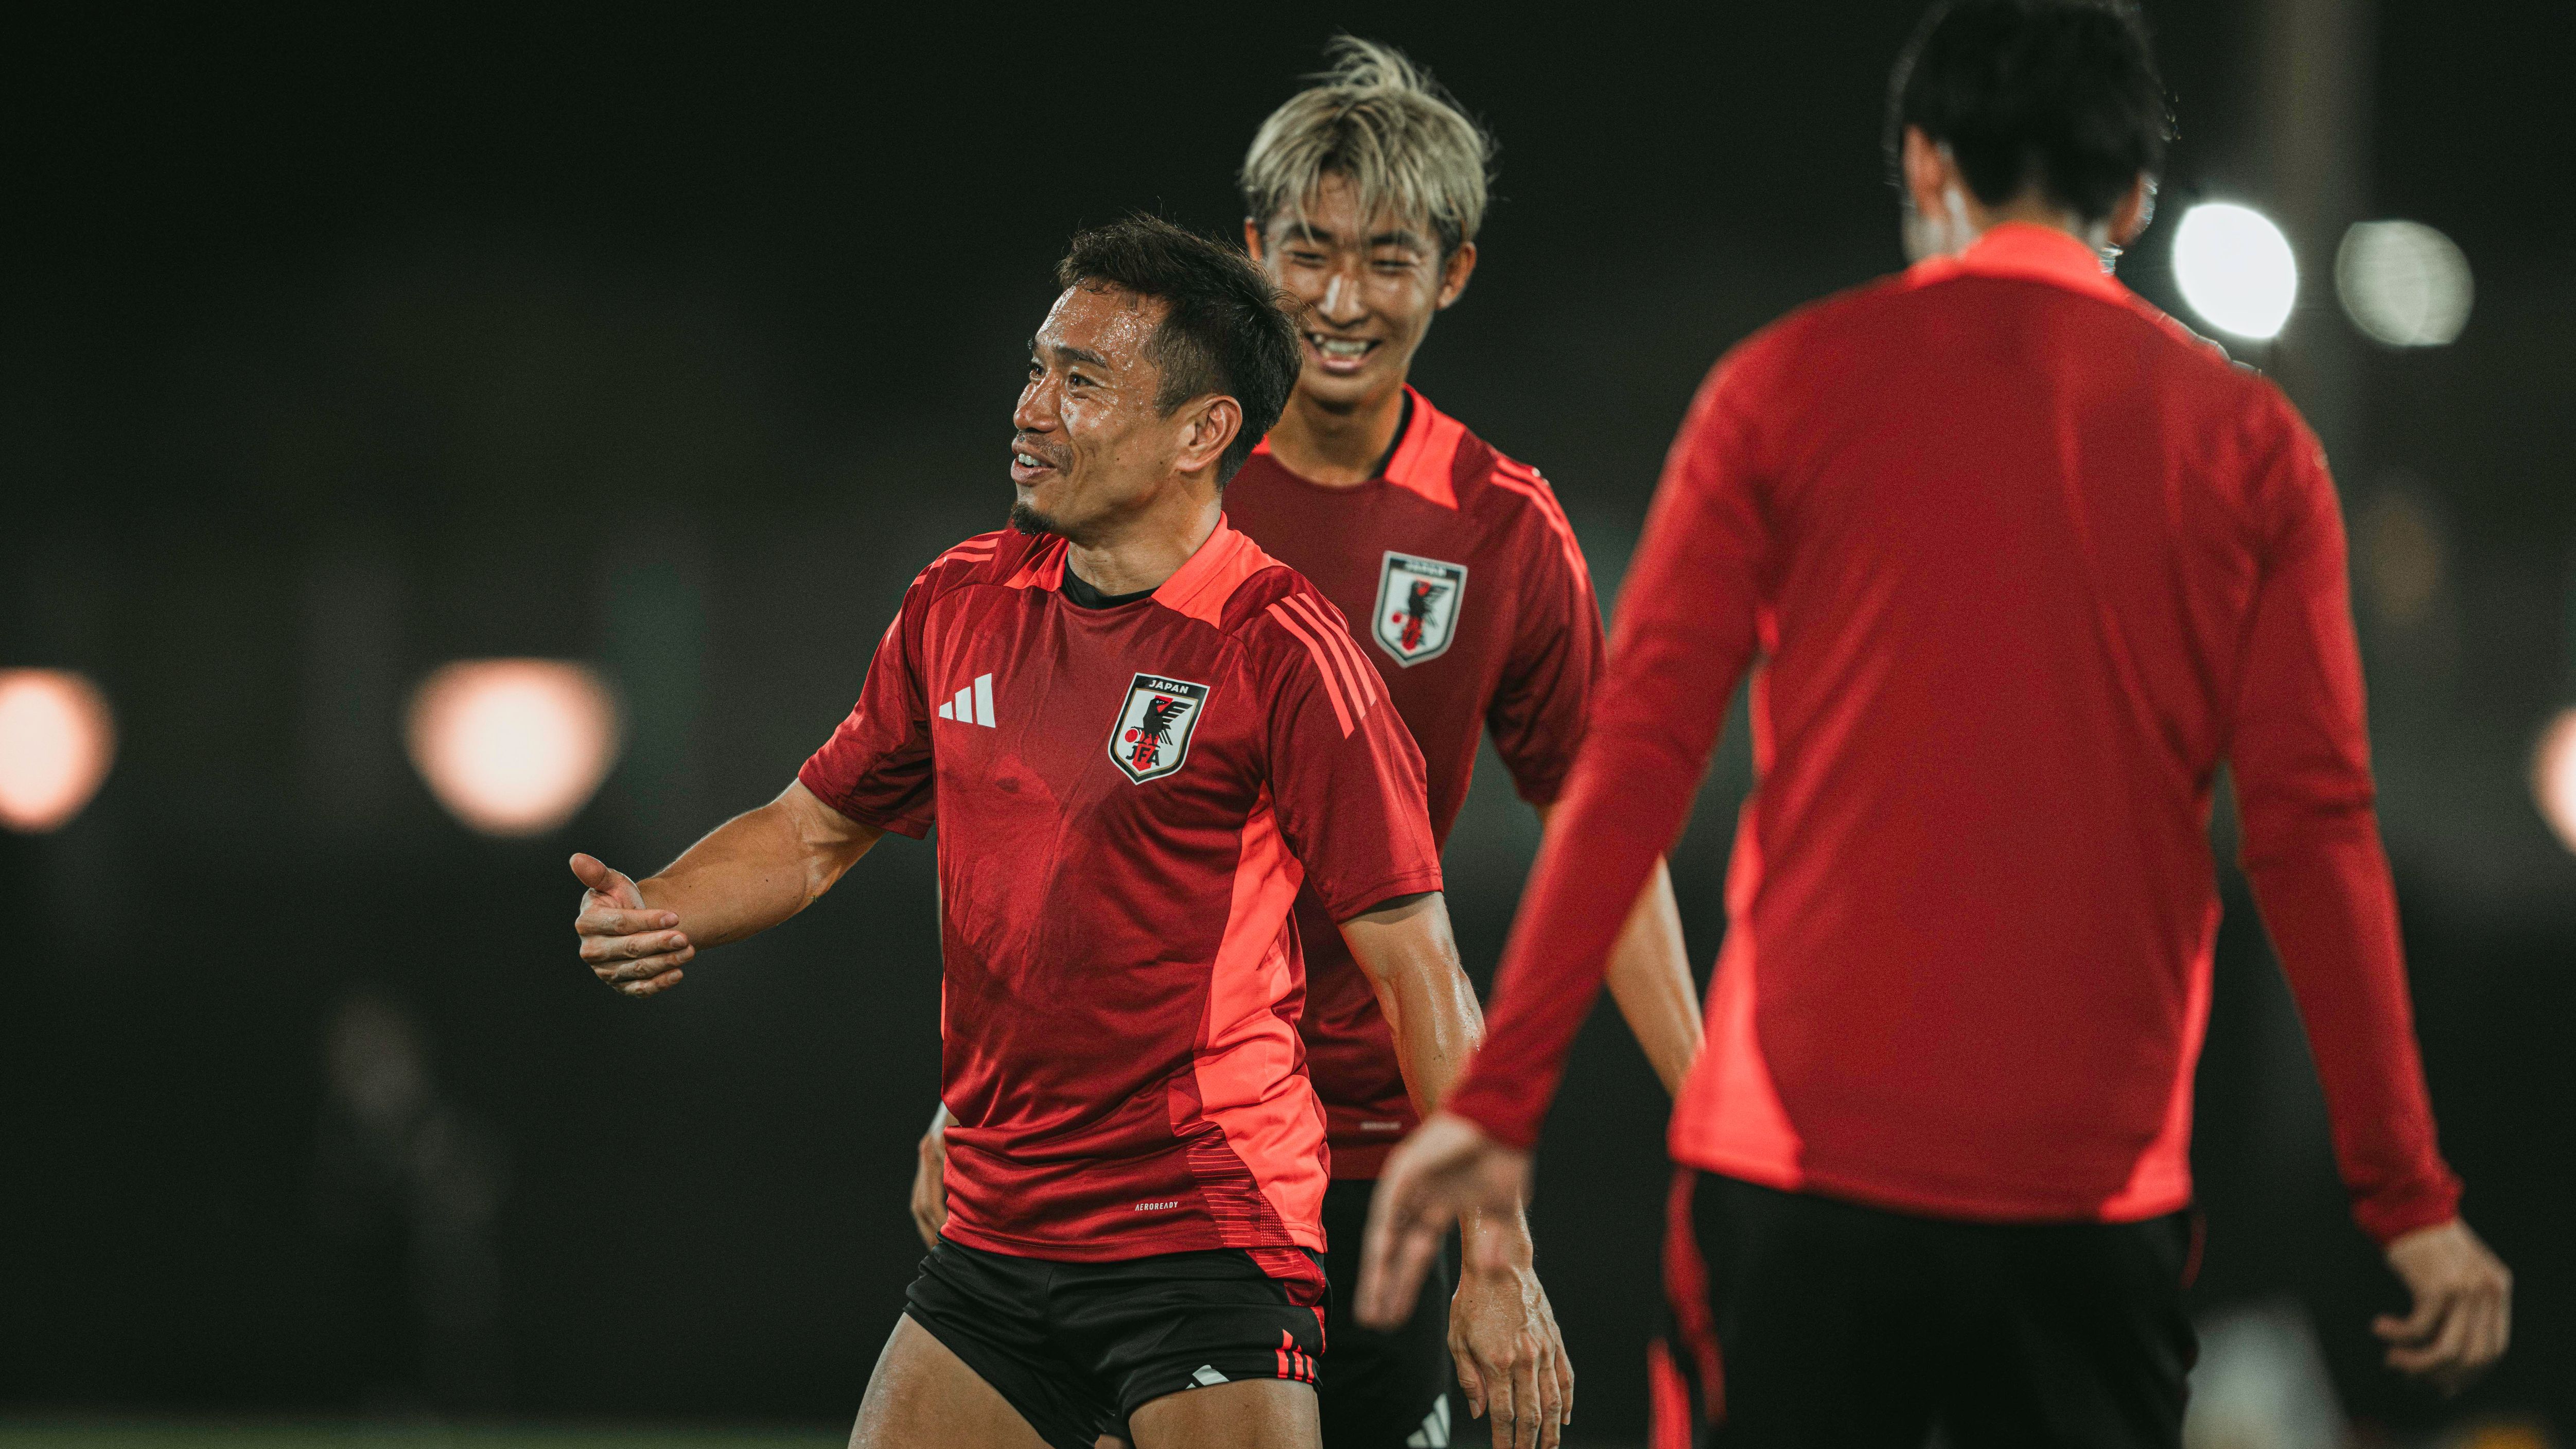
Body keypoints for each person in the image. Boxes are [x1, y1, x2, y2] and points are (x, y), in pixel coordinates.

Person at [1358, 2, 2513, 1444]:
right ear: (2132, 199)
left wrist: (1503, 1098)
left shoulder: (1779, 389)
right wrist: (2405, 1197)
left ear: (1921, 163)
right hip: (2088, 1197)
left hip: (1797, 1175)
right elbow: (2313, 832)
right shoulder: (2249, 444)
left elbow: (1636, 760)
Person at [570, 215, 1543, 1449]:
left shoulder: (1282, 653)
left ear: (1201, 433)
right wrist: (663, 903)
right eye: (1036, 369)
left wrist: (1497, 1259)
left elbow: (1421, 972)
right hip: (996, 1242)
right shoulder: (960, 600)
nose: (1031, 409)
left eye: (1081, 382)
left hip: (1200, 1236)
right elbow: (812, 831)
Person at [909, 38, 1701, 1449]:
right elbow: (1022, 815)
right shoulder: (1158, 474)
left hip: (1374, 1146)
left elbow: (1602, 837)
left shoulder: (1500, 527)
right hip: (1142, 1153)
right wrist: (966, 1103)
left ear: (1451, 274)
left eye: (1386, 260)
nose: (1340, 300)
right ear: (1251, 250)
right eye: (1308, 253)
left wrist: (1704, 1101)